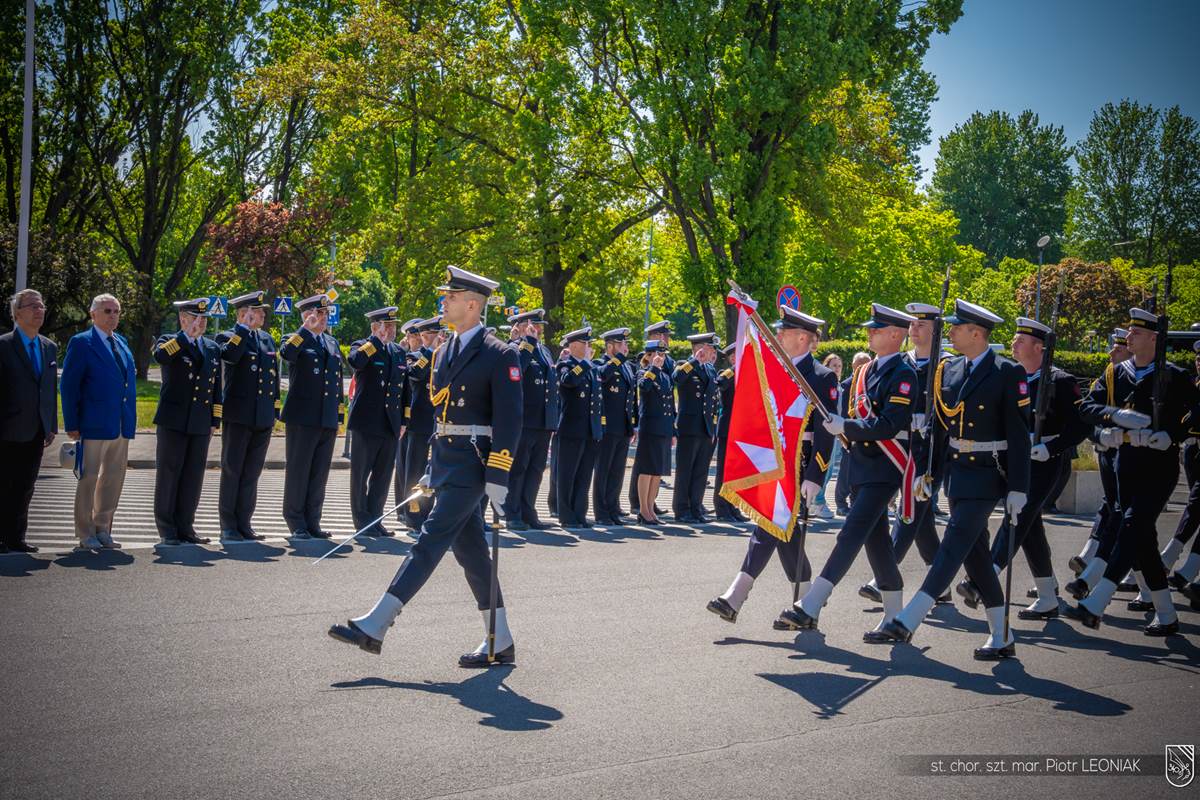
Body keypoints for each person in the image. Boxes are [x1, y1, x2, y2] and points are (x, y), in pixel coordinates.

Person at [328, 265, 523, 667]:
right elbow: (442, 417)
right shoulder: (443, 350)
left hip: (474, 464)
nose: (444, 302)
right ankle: (499, 640)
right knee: (471, 554)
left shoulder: (499, 354)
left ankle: (377, 623)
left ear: (472, 304)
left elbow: (510, 420)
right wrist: (430, 471)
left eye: (451, 297)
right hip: (447, 461)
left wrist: (499, 476)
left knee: (429, 541)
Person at [874, 300, 1030, 660]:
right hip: (957, 474)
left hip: (989, 473)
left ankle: (909, 617)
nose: (952, 332)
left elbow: (1019, 436)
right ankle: (1002, 634)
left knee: (953, 543)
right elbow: (939, 431)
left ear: (977, 333)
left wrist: (1020, 488)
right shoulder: (949, 369)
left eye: (958, 328)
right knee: (975, 557)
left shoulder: (1007, 372)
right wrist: (928, 474)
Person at [777, 304, 917, 638]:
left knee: (850, 533)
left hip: (886, 466)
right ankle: (896, 620)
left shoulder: (904, 374)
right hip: (861, 467)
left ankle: (811, 604)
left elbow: (888, 425)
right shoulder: (865, 372)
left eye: (877, 329)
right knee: (878, 543)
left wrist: (847, 425)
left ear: (896, 335)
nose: (869, 333)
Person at [1065, 307, 1200, 636]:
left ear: (1155, 338)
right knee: (1143, 540)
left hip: (1159, 464)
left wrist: (1173, 434)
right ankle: (1167, 615)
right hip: (1125, 463)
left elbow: (1197, 410)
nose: (1129, 337)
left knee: (1132, 524)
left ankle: (1098, 599)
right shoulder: (1116, 374)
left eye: (1136, 333)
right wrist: (1110, 423)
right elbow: (1086, 409)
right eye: (1129, 331)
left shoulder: (1174, 375)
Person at [706, 307, 837, 624]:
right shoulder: (775, 370)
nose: (777, 336)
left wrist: (816, 476)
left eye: (784, 332)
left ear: (803, 338)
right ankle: (808, 606)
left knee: (769, 524)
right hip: (774, 463)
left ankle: (735, 595)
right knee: (783, 532)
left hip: (799, 466)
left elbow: (825, 432)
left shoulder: (822, 377)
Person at [955, 317, 1089, 619]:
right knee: (1030, 528)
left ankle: (981, 578)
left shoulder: (1060, 381)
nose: (1014, 342)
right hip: (1012, 458)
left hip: (1045, 462)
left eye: (1021, 339)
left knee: (1018, 518)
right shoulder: (1009, 376)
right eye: (1014, 338)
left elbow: (1080, 426)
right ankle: (1046, 596)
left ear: (1039, 347)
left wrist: (1051, 447)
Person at [860, 302, 951, 605]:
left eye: (922, 325)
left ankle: (883, 576)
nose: (914, 329)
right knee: (921, 522)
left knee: (910, 508)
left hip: (932, 449)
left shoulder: (947, 365)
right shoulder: (904, 362)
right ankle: (942, 580)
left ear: (936, 330)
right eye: (912, 324)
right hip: (903, 446)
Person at [60, 294, 138, 551]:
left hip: (119, 423)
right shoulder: (82, 343)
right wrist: (71, 422)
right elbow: (69, 386)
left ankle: (103, 527)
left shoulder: (122, 342)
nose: (113, 315)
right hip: (93, 423)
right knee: (89, 477)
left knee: (113, 477)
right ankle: (85, 532)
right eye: (107, 311)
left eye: (116, 311)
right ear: (93, 314)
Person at [153, 298, 222, 546]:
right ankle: (167, 528)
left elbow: (216, 387)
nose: (200, 323)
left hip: (200, 422)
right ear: (183, 318)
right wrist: (185, 337)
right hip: (174, 421)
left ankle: (186, 526)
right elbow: (160, 357)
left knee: (193, 477)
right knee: (169, 475)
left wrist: (215, 419)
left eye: (203, 319)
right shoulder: (169, 342)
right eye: (195, 318)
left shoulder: (212, 348)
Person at [214, 290, 278, 543]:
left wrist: (273, 411)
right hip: (238, 416)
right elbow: (229, 357)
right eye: (258, 311)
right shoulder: (229, 336)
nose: (262, 315)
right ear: (244, 313)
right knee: (233, 470)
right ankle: (228, 525)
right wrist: (242, 329)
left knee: (251, 472)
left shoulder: (266, 339)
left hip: (261, 417)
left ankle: (244, 522)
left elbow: (271, 378)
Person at [280, 293, 344, 540]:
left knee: (319, 474)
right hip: (302, 418)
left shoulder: (331, 343)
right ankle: (295, 521)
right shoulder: (295, 338)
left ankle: (313, 521)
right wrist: (305, 329)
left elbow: (336, 382)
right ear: (307, 316)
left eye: (326, 314)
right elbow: (287, 354)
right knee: (299, 471)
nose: (323, 318)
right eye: (318, 314)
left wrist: (338, 416)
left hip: (326, 417)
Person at [1067, 329, 1131, 576]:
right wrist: (1099, 435)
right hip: (1106, 450)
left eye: (1119, 347)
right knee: (1113, 505)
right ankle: (1095, 559)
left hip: (1127, 453)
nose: (1112, 351)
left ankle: (1095, 560)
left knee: (1120, 510)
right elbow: (1088, 413)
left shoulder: (1133, 380)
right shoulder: (1107, 377)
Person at [0, 289, 57, 554]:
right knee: (5, 484)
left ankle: (16, 538)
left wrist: (51, 424)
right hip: (8, 429)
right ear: (17, 312)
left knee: (25, 486)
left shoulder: (49, 347)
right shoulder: (4, 345)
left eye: (41, 305)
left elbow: (47, 389)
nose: (39, 310)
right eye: (33, 305)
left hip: (36, 429)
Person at [347, 307, 408, 536]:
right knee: (360, 475)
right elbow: (356, 362)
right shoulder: (362, 346)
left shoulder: (398, 352)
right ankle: (361, 520)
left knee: (382, 477)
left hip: (390, 423)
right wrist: (375, 340)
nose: (390, 330)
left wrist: (404, 420)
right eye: (385, 326)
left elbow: (404, 390)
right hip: (366, 422)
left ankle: (375, 519)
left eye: (392, 326)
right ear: (374, 327)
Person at [504, 309, 560, 530]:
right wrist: (526, 341)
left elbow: (550, 386)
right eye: (533, 325)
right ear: (521, 325)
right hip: (524, 420)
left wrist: (552, 420)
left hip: (542, 421)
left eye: (539, 325)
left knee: (536, 470)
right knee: (518, 469)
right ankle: (512, 513)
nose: (538, 329)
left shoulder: (544, 350)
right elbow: (516, 370)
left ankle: (529, 512)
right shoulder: (514, 348)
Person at [1161, 339, 1200, 588]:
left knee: (1196, 504)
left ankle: (1171, 556)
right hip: (1193, 451)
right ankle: (1188, 570)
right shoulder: (1193, 385)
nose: (1199, 362)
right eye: (1198, 358)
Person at [556, 327, 604, 529]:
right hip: (571, 429)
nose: (589, 348)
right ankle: (566, 515)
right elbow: (569, 382)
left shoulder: (590, 368)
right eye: (585, 344)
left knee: (584, 474)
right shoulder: (565, 366)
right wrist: (583, 364)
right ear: (574, 345)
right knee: (568, 474)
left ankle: (579, 513)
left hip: (589, 430)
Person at [672, 332, 721, 523]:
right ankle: (682, 510)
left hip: (706, 428)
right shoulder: (685, 366)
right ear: (699, 348)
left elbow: (713, 400)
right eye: (709, 348)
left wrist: (713, 427)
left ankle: (695, 508)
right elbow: (676, 378)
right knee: (685, 470)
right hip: (689, 427)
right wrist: (693, 361)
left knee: (701, 471)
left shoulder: (710, 370)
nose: (712, 352)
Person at [630, 321, 675, 516]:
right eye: (657, 355)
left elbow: (670, 403)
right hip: (650, 427)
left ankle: (651, 508)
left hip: (663, 428)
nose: (661, 358)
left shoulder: (664, 375)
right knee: (647, 469)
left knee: (657, 471)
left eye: (663, 355)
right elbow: (644, 387)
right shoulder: (644, 372)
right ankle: (644, 509)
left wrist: (673, 430)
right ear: (648, 356)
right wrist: (654, 369)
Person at [592, 327, 636, 526]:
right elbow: (601, 377)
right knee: (604, 469)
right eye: (622, 344)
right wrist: (616, 360)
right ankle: (601, 512)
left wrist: (633, 424)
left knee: (617, 470)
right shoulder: (601, 364)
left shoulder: (627, 367)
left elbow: (631, 399)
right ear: (610, 346)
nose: (626, 348)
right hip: (607, 426)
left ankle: (613, 507)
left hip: (623, 426)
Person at [400, 316, 440, 530]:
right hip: (418, 423)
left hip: (438, 424)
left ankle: (427, 512)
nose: (441, 337)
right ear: (424, 336)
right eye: (435, 334)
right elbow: (414, 375)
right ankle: (413, 515)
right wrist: (429, 350)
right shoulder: (413, 356)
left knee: (432, 473)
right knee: (414, 473)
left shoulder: (444, 356)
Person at [712, 344, 748, 523]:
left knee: (736, 472)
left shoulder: (745, 375)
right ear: (733, 359)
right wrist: (735, 369)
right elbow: (720, 383)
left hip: (740, 429)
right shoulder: (728, 374)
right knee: (724, 471)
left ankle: (732, 505)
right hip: (728, 429)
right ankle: (721, 507)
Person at [834, 351, 871, 515]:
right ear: (853, 366)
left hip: (866, 433)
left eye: (867, 364)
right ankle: (841, 502)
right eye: (860, 364)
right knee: (846, 470)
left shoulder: (871, 382)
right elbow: (842, 410)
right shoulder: (846, 385)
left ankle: (855, 501)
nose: (863, 367)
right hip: (848, 433)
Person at [809, 352, 844, 520]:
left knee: (830, 470)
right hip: (826, 431)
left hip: (838, 432)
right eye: (833, 366)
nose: (837, 369)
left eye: (839, 366)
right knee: (824, 466)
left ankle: (817, 500)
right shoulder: (826, 384)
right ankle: (818, 501)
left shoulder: (840, 387)